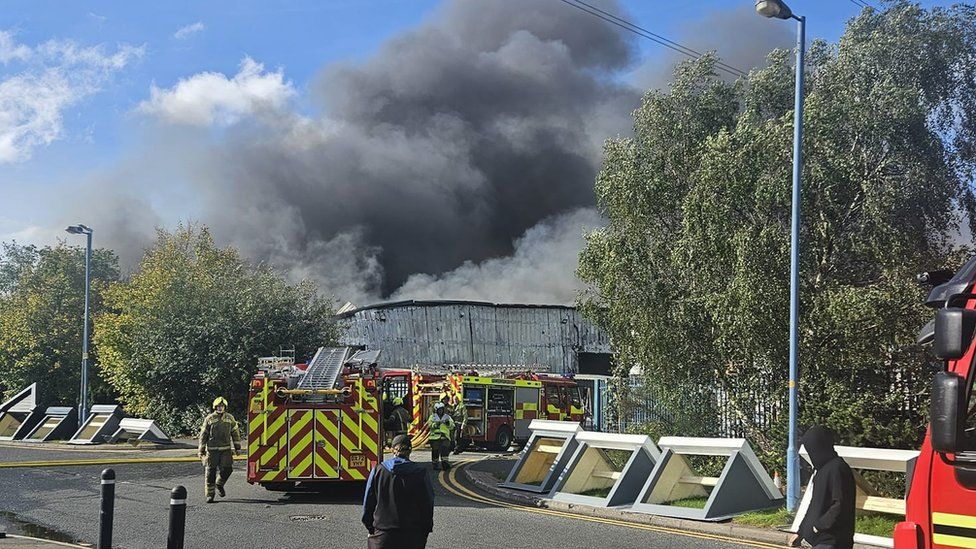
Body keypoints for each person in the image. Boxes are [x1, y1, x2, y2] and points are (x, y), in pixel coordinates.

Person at [362, 434, 434, 549]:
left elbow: (368, 501)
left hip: (383, 534)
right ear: (410, 451)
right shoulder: (421, 472)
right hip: (412, 535)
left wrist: (370, 527)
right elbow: (427, 504)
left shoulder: (378, 470)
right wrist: (425, 530)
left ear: (392, 450)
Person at [789, 426, 856, 549]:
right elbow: (815, 505)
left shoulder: (837, 468)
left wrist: (819, 526)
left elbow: (840, 504)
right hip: (821, 540)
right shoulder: (821, 470)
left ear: (820, 446)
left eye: (812, 449)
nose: (811, 454)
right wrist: (801, 532)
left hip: (833, 540)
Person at [198, 396, 242, 503]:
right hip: (212, 451)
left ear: (225, 407)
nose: (220, 408)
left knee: (228, 469)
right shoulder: (209, 419)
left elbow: (235, 433)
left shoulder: (230, 418)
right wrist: (201, 450)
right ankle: (210, 495)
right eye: (218, 406)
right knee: (210, 473)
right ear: (214, 407)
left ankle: (219, 484)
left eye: (222, 406)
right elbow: (203, 435)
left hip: (226, 450)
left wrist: (237, 448)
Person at [426, 402, 454, 471]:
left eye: (441, 409)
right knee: (435, 451)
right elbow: (429, 425)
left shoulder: (447, 417)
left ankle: (445, 464)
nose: (440, 411)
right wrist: (435, 424)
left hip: (444, 437)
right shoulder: (432, 417)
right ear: (436, 410)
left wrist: (448, 423)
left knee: (445, 451)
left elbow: (452, 426)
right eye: (439, 409)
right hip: (434, 438)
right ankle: (435, 464)